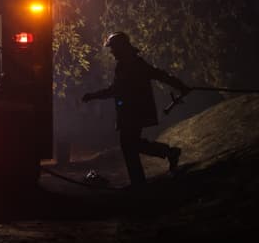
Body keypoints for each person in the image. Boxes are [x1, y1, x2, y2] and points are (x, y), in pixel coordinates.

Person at [82, 32, 191, 186]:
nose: (112, 51)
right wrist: (179, 85)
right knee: (132, 144)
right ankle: (166, 154)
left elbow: (116, 90)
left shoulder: (129, 65)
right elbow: (159, 74)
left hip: (132, 112)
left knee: (129, 145)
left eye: (113, 48)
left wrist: (93, 96)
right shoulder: (133, 63)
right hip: (133, 111)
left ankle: (140, 181)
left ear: (121, 47)